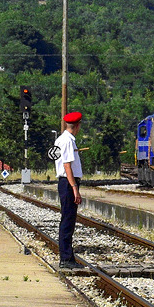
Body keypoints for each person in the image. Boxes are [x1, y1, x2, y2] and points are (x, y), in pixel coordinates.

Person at [54, 110, 83, 265]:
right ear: (77, 126)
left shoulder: (64, 139)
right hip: (67, 183)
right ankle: (65, 258)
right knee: (67, 221)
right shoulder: (67, 141)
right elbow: (67, 166)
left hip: (67, 183)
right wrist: (74, 188)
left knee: (69, 220)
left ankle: (68, 257)